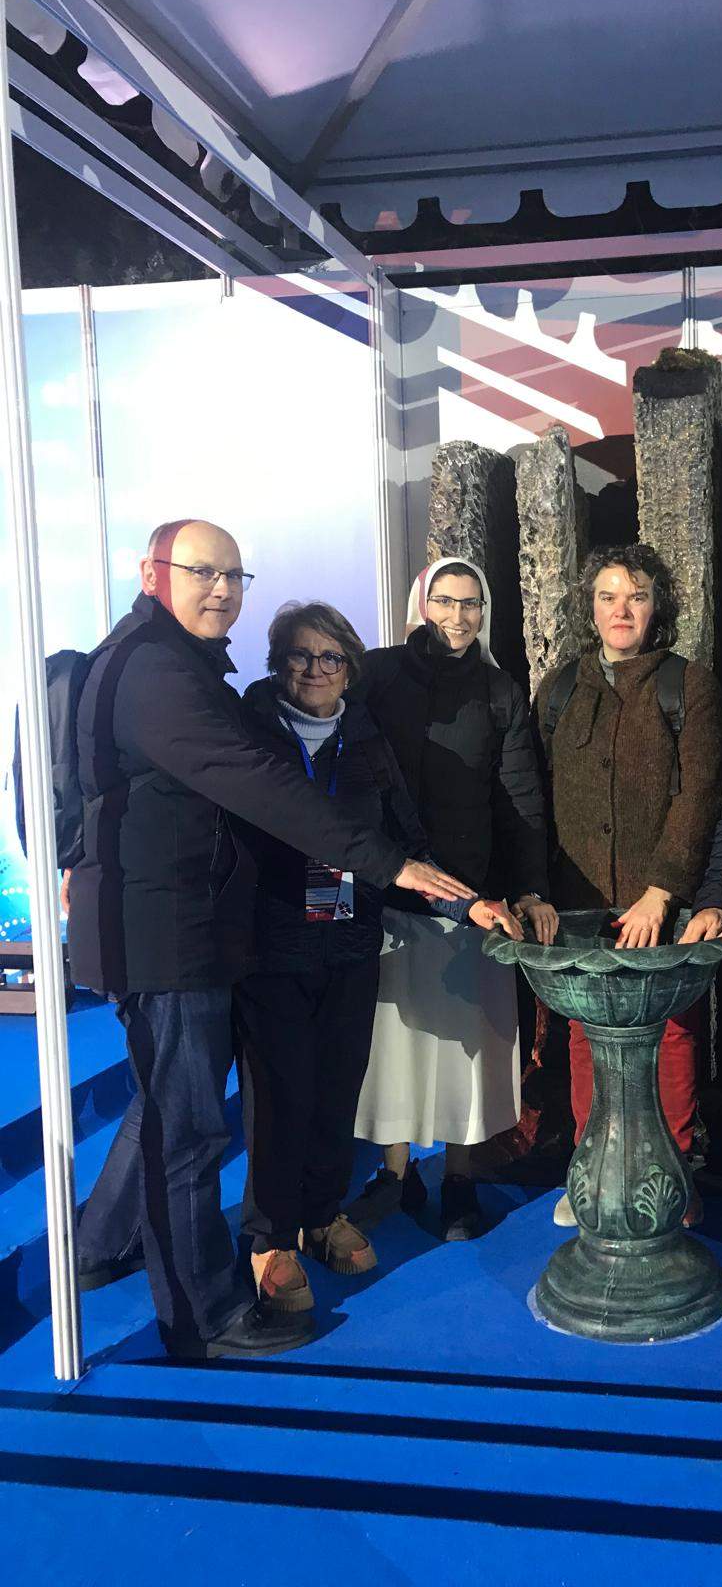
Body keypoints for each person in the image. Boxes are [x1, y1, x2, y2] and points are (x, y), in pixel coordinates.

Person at [68, 520, 475, 1361]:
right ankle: (206, 1317)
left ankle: (99, 1244)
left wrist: (436, 884)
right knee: (192, 1131)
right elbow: (259, 787)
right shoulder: (163, 673)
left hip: (229, 930)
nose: (220, 589)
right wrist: (388, 864)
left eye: (232, 575)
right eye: (201, 572)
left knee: (168, 1105)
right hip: (181, 933)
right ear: (152, 573)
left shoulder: (185, 664)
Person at [235, 600, 482, 1312]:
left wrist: (464, 903)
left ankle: (321, 1214)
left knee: (337, 1085)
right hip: (271, 945)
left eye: (331, 657)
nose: (316, 670)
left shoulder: (366, 737)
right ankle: (270, 1235)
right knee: (279, 1096)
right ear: (278, 663)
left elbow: (404, 837)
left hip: (349, 939)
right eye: (301, 655)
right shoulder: (252, 731)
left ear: (350, 668)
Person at [353, 556, 554, 1240]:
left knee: (470, 1048)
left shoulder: (499, 692)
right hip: (387, 891)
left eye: (470, 603)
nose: (458, 616)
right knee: (392, 1043)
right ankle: (396, 1173)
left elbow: (520, 798)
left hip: (472, 899)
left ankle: (461, 1178)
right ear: (422, 604)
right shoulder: (377, 675)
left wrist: (528, 886)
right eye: (444, 601)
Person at [536, 543, 722, 1227]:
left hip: (659, 904)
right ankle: (593, 1173)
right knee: (585, 1031)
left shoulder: (689, 686)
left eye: (637, 597)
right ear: (590, 608)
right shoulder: (559, 689)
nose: (622, 610)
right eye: (608, 597)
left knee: (669, 1032)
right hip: (579, 900)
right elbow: (536, 793)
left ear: (656, 607)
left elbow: (701, 794)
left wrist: (662, 890)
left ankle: (669, 1176)